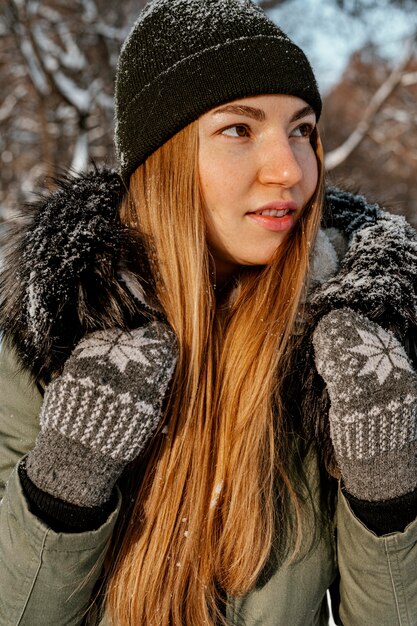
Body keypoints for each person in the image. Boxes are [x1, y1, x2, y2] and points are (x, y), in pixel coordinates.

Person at [0, 0, 416, 624]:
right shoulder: (48, 340)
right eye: (239, 129)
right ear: (161, 160)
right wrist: (65, 483)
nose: (290, 169)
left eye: (302, 130)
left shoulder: (354, 357)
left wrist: (388, 491)